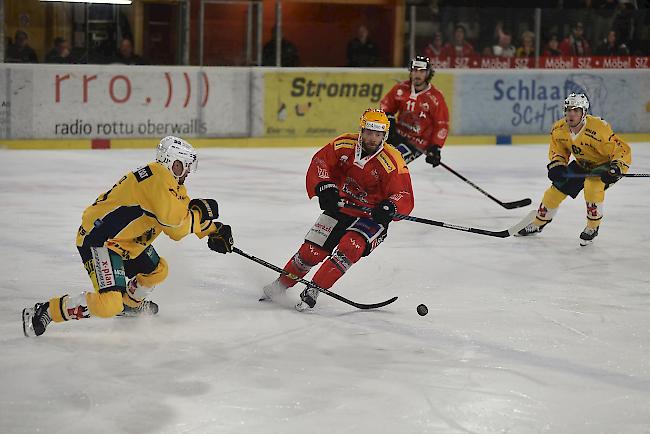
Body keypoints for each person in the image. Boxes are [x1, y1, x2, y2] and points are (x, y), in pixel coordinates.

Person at [22, 137, 235, 337]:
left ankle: (130, 304)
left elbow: (181, 215)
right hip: (100, 241)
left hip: (125, 242)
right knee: (108, 304)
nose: (188, 171)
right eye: (184, 165)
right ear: (172, 162)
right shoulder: (158, 180)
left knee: (158, 271)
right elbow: (176, 228)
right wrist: (201, 215)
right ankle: (46, 310)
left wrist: (214, 229)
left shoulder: (169, 182)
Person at [261, 109, 414, 310]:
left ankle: (315, 289)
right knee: (310, 252)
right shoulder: (344, 144)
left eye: (378, 134)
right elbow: (320, 162)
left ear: (384, 135)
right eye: (369, 132)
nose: (372, 138)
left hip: (370, 217)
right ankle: (281, 284)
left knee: (351, 246)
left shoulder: (393, 160)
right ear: (361, 130)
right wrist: (324, 186)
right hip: (341, 207)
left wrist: (390, 206)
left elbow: (404, 194)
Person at [516, 93, 631, 246]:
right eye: (569, 109)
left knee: (592, 186)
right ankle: (538, 223)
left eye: (576, 110)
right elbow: (558, 151)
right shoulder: (559, 129)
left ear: (584, 113)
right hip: (582, 164)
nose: (571, 114)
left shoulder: (599, 129)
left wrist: (617, 167)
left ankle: (592, 228)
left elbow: (620, 149)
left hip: (604, 166)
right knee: (555, 191)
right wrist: (557, 164)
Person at [379, 56, 450, 168]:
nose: (418, 74)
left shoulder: (436, 97)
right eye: (415, 70)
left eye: (422, 71)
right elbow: (386, 107)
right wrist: (390, 125)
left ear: (428, 73)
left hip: (417, 143)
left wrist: (435, 147)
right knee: (371, 156)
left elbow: (441, 125)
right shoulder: (401, 88)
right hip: (396, 135)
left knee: (390, 164)